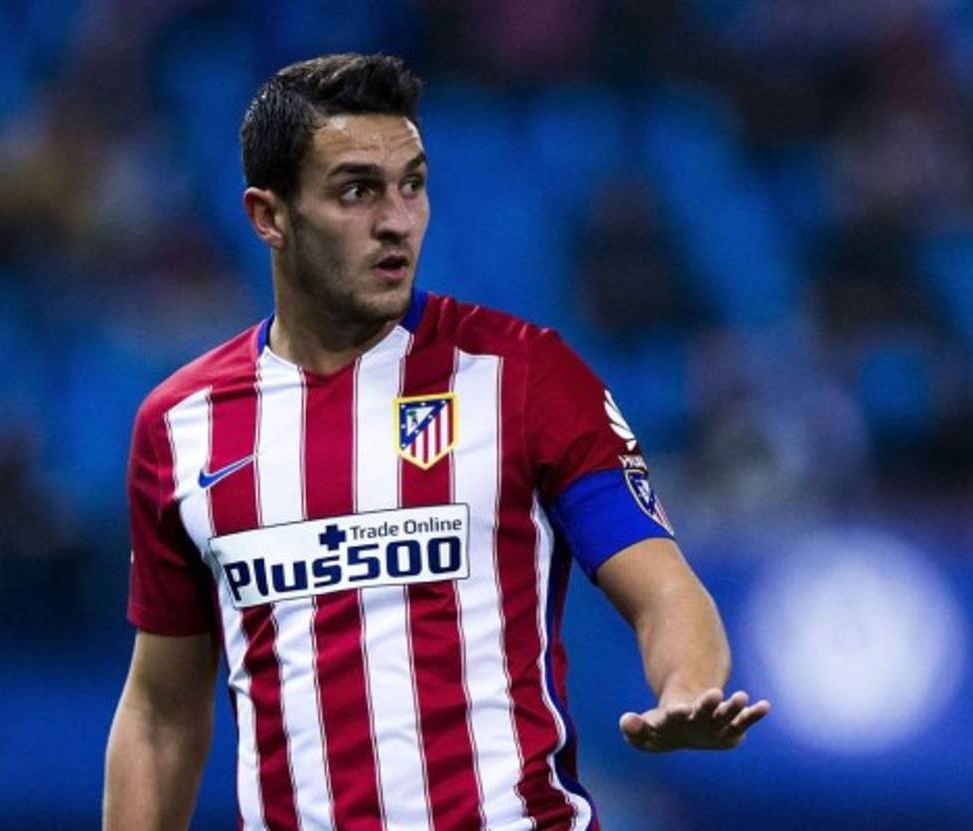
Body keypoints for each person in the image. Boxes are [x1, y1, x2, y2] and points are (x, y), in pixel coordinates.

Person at [103, 53, 769, 831]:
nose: (396, 220)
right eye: (357, 190)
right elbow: (160, 712)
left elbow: (663, 588)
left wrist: (688, 684)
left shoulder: (525, 376)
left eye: (411, 185)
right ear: (269, 216)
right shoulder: (181, 426)